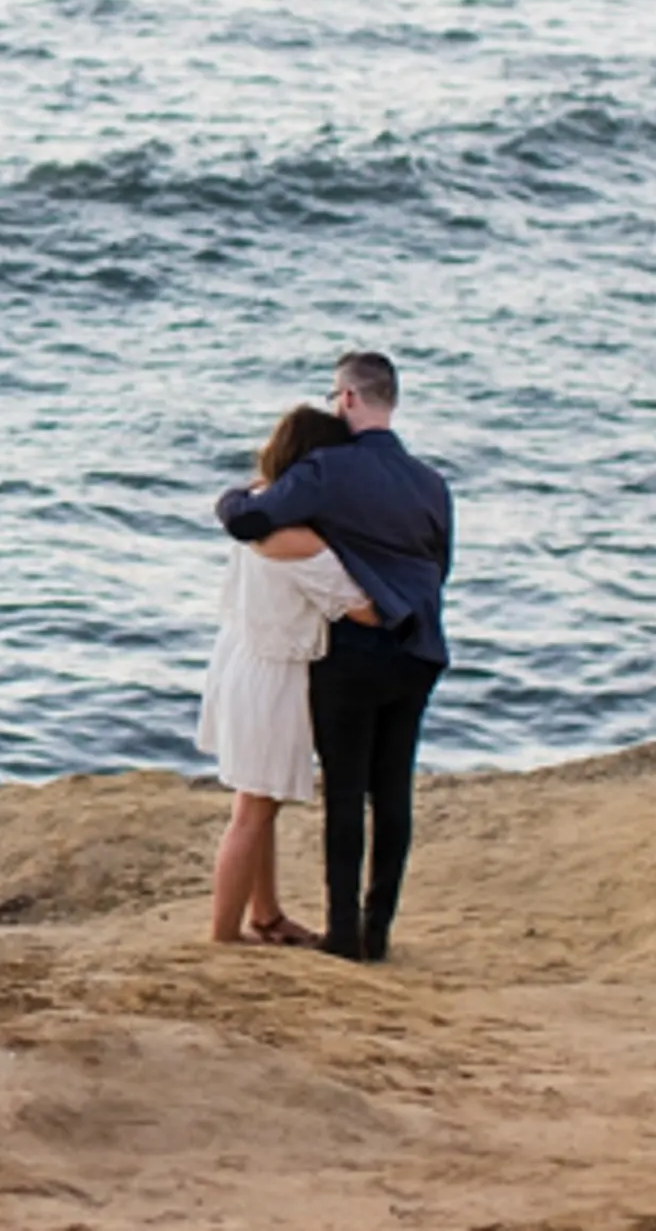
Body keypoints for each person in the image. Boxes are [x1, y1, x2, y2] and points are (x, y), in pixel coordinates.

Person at [216, 351, 453, 963]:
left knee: (346, 792)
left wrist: (232, 496)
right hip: (419, 649)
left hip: (355, 653)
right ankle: (379, 932)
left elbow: (251, 521)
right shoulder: (432, 481)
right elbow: (439, 565)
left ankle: (344, 934)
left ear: (347, 399)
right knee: (393, 790)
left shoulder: (328, 470)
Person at [197, 403, 377, 947]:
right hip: (273, 675)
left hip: (240, 654)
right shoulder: (299, 540)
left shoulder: (255, 503)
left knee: (257, 800)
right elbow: (362, 607)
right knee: (253, 811)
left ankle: (266, 915)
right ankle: (224, 935)